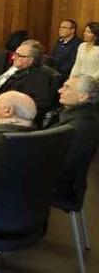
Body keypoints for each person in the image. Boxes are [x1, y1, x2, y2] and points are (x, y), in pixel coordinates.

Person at [0, 39, 55, 121]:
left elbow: (28, 107)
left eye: (17, 55)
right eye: (14, 54)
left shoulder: (39, 78)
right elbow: (4, 91)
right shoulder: (18, 71)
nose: (13, 57)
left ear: (30, 60)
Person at [50, 76, 99, 204]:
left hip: (60, 188)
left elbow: (63, 167)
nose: (60, 90)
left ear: (82, 96)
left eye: (67, 87)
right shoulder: (79, 116)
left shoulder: (80, 126)